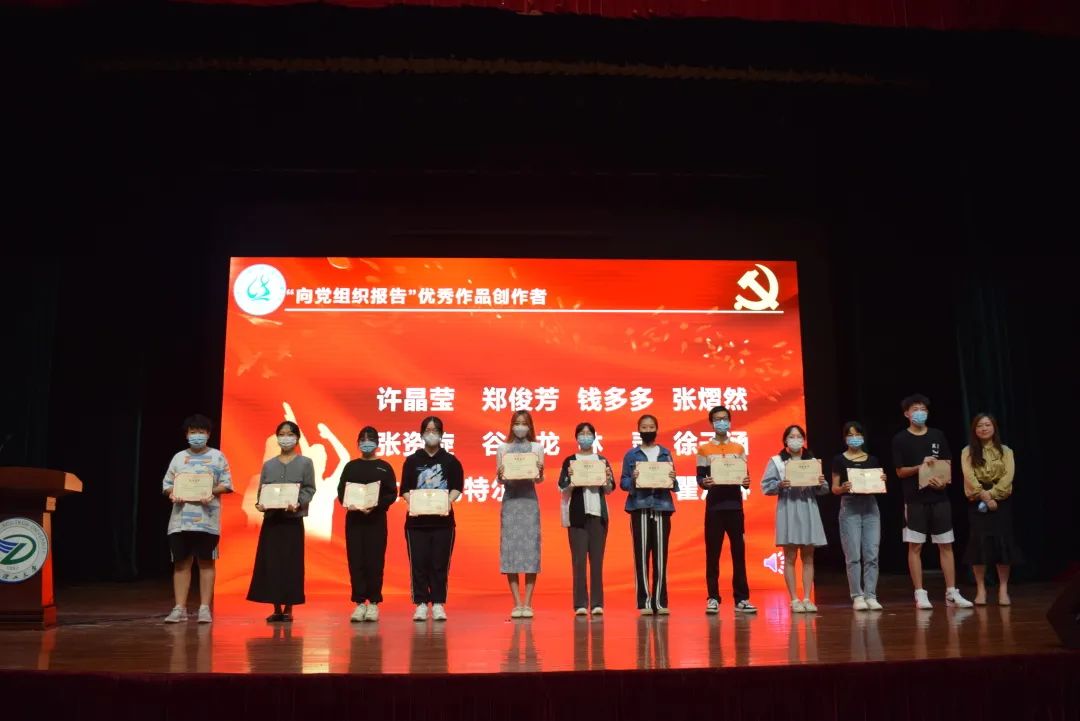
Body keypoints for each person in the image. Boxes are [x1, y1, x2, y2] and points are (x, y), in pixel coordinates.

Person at [891, 394, 973, 609]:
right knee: (915, 546)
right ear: (907, 414)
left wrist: (942, 482)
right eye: (915, 409)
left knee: (946, 544)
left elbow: (947, 464)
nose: (920, 413)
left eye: (923, 409)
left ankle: (951, 591)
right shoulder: (900, 439)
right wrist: (920, 467)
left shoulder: (938, 435)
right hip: (915, 500)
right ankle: (919, 592)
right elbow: (900, 472)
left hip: (939, 498)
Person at [162, 414, 234, 624]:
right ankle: (179, 608)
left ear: (208, 434)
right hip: (180, 521)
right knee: (181, 564)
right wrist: (172, 493)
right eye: (193, 432)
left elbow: (227, 484)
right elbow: (166, 485)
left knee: (206, 563)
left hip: (207, 521)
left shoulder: (218, 457)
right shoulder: (178, 458)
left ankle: (204, 608)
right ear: (186, 434)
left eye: (201, 432)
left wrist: (209, 490)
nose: (197, 436)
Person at [247, 420, 317, 622]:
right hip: (272, 520)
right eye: (282, 434)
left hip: (292, 520)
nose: (286, 438)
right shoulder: (269, 465)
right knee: (271, 563)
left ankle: (288, 608)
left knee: (291, 564)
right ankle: (276, 608)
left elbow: (309, 489)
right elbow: (262, 491)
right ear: (277, 438)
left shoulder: (305, 463)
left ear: (297, 438)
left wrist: (298, 502)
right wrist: (260, 504)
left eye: (290, 434)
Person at [400, 416, 464, 622]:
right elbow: (405, 489)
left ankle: (438, 603)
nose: (431, 434)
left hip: (443, 522)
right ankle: (420, 604)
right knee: (418, 563)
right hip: (416, 523)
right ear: (421, 434)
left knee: (440, 563)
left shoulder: (450, 461)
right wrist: (414, 502)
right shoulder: (412, 461)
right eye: (427, 430)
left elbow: (457, 487)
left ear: (442, 434)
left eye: (435, 430)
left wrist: (447, 502)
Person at [697, 405, 757, 615]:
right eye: (717, 419)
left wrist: (747, 482)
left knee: (738, 553)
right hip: (714, 507)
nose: (721, 422)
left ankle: (741, 598)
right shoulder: (704, 449)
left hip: (735, 506)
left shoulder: (738, 448)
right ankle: (713, 597)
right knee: (712, 554)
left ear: (730, 421)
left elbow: (744, 476)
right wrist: (704, 483)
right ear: (711, 423)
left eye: (724, 418)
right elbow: (700, 477)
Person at [762, 425, 828, 613]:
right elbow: (766, 487)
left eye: (799, 436)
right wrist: (779, 484)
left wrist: (820, 483)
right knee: (790, 556)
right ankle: (794, 599)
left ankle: (807, 598)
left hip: (808, 507)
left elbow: (824, 489)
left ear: (804, 439)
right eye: (792, 436)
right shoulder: (777, 461)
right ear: (785, 440)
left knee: (808, 556)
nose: (796, 439)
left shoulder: (812, 461)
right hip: (788, 508)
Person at [337, 426, 399, 622]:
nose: (366, 443)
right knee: (356, 561)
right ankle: (359, 603)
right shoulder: (350, 467)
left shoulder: (384, 467)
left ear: (377, 443)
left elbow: (392, 494)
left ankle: (373, 603)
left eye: (370, 439)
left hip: (376, 520)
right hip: (354, 520)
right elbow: (341, 492)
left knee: (375, 561)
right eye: (362, 439)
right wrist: (349, 503)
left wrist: (376, 505)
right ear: (357, 443)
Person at [620, 414, 679, 615]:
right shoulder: (631, 455)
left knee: (661, 557)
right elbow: (623, 483)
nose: (647, 430)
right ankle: (644, 602)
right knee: (641, 556)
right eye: (644, 427)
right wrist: (634, 479)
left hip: (662, 506)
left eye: (651, 427)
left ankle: (660, 602)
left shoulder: (665, 453)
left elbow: (674, 484)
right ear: (639, 430)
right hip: (640, 507)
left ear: (656, 429)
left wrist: (673, 478)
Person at [961, 413, 1022, 605]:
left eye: (987, 425)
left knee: (1002, 544)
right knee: (978, 545)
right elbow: (969, 476)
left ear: (994, 427)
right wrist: (985, 497)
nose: (984, 428)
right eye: (980, 426)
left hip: (1001, 500)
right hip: (977, 500)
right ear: (974, 430)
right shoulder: (967, 451)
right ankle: (981, 589)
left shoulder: (1006, 451)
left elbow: (1008, 476)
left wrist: (994, 495)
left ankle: (1003, 589)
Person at [557, 422, 615, 616]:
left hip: (598, 515)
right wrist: (571, 479)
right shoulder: (570, 461)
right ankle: (580, 604)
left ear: (594, 437)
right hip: (577, 516)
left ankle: (597, 603)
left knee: (597, 562)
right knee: (579, 562)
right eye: (581, 434)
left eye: (588, 433)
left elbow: (609, 489)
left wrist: (606, 478)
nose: (585, 437)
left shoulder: (601, 460)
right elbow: (562, 487)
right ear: (576, 438)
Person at [831, 421, 888, 610]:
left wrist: (881, 480)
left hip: (870, 506)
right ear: (845, 438)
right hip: (850, 506)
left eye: (857, 434)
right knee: (853, 554)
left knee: (872, 553)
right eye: (850, 435)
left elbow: (877, 484)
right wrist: (843, 488)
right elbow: (834, 488)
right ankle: (857, 596)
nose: (854, 438)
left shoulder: (873, 460)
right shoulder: (839, 460)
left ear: (863, 437)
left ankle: (871, 595)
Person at [496, 411, 544, 618]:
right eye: (517, 423)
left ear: (530, 426)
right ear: (511, 425)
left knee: (531, 552)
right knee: (511, 552)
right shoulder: (503, 448)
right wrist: (500, 474)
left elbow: (539, 479)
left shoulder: (537, 448)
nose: (520, 427)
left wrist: (540, 471)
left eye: (524, 423)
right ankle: (517, 603)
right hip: (511, 503)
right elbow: (500, 479)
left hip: (529, 502)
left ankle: (528, 603)